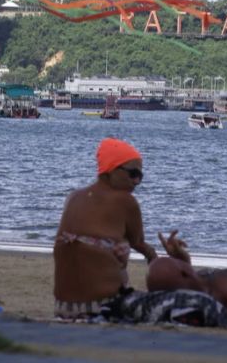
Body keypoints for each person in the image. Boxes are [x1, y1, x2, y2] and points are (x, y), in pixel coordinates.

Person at [53, 137, 158, 319]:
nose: (136, 182)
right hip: (105, 307)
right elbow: (139, 243)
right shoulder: (126, 202)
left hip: (63, 307)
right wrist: (157, 258)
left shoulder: (73, 197)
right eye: (133, 174)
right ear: (111, 170)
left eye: (140, 176)